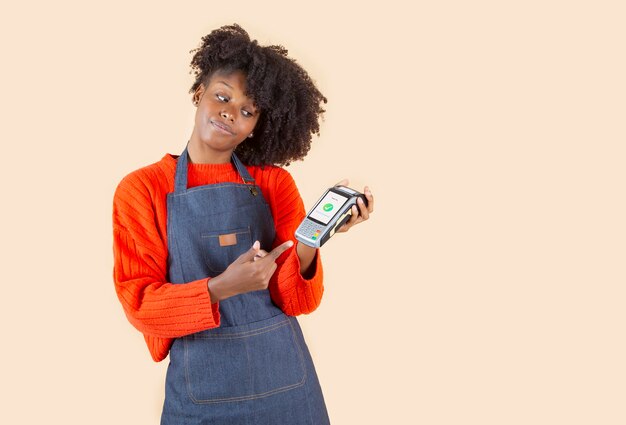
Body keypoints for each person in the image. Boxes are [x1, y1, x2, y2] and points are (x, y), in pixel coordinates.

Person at [112, 24, 374, 424]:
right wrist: (221, 287)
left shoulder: (273, 183)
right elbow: (140, 306)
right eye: (222, 96)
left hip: (286, 385)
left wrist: (311, 242)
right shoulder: (142, 189)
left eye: (248, 111)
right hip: (201, 396)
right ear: (199, 93)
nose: (230, 113)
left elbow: (297, 300)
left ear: (256, 125)